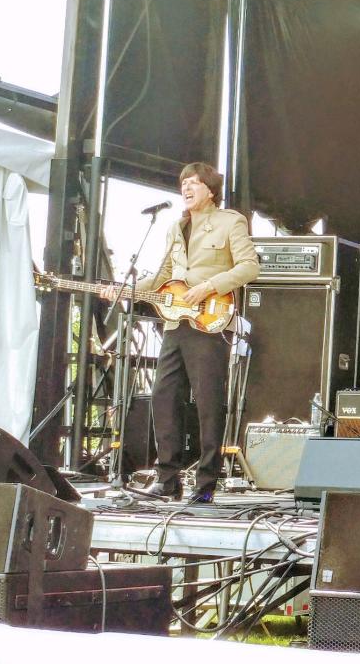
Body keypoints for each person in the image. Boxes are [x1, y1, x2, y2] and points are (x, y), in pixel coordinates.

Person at [101, 163, 259, 502]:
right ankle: (168, 480)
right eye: (183, 183)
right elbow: (162, 277)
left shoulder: (231, 221)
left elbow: (250, 266)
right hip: (175, 323)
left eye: (194, 183)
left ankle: (205, 485)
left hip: (209, 321)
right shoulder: (175, 227)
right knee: (163, 395)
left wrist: (208, 287)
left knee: (207, 402)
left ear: (210, 189)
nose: (186, 189)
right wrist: (123, 289)